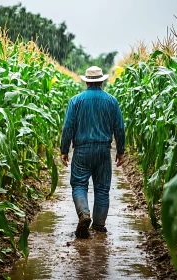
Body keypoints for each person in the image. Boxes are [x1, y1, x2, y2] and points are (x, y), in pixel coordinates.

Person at [60, 65, 126, 238]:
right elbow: (119, 128)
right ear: (101, 82)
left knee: (79, 185)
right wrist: (120, 151)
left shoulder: (76, 101)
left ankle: (84, 213)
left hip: (82, 150)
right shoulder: (111, 101)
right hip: (103, 150)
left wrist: (64, 150)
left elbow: (68, 127)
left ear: (87, 82)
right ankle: (99, 226)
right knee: (102, 189)